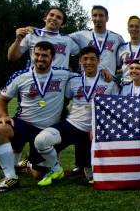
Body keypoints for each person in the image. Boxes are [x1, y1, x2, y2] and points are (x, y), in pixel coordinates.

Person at [0, 41, 71, 192]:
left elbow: (87, 76)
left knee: (38, 175)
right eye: (38, 54)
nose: (40, 58)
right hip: (23, 124)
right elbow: (1, 99)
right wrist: (3, 116)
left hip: (45, 132)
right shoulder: (20, 76)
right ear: (33, 54)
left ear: (52, 58)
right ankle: (10, 177)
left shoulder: (64, 74)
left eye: (45, 56)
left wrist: (104, 74)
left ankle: (28, 163)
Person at [33, 46, 119, 186]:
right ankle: (56, 169)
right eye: (85, 59)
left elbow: (114, 108)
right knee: (41, 140)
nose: (88, 62)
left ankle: (87, 164)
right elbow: (65, 100)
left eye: (92, 59)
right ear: (80, 61)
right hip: (73, 124)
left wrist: (98, 128)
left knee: (92, 177)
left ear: (99, 61)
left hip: (94, 129)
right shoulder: (73, 80)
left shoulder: (110, 82)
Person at [7, 6, 80, 69]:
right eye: (51, 15)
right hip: (35, 81)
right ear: (45, 18)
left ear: (62, 24)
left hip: (58, 83)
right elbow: (12, 57)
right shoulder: (31, 34)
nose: (54, 18)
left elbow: (84, 52)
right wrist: (17, 40)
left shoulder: (67, 40)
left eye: (58, 17)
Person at [69, 5, 124, 80]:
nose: (98, 18)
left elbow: (123, 60)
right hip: (86, 81)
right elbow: (63, 41)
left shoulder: (117, 38)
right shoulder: (81, 35)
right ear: (91, 18)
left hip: (108, 81)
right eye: (95, 15)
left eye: (101, 15)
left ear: (107, 18)